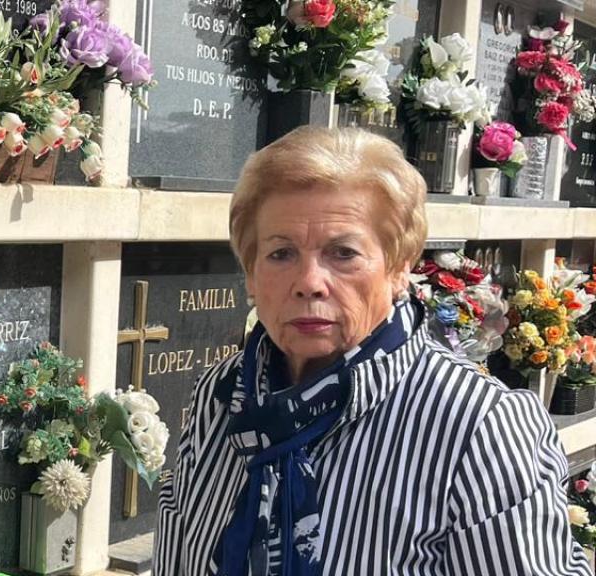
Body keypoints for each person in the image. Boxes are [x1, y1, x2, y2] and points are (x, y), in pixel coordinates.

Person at [154, 127, 593, 575]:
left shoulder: (479, 428)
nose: (309, 282)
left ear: (399, 266)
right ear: (250, 273)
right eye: (281, 253)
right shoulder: (222, 393)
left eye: (343, 253)